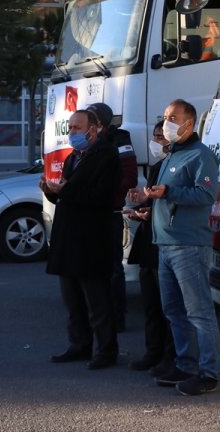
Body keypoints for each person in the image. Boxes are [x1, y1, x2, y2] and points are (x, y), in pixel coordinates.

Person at [134, 99, 220, 396]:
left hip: (189, 245)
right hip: (166, 244)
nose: (167, 121)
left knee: (199, 312)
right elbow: (167, 197)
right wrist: (149, 203)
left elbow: (206, 194)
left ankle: (209, 373)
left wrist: (169, 191)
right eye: (165, 116)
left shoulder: (200, 156)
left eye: (173, 117)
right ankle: (185, 365)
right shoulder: (172, 155)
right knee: (173, 310)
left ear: (189, 123)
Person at [41, 109, 121, 370]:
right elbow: (67, 195)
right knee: (72, 299)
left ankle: (106, 350)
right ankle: (79, 345)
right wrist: (52, 192)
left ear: (93, 129)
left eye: (77, 128)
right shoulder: (73, 157)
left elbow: (102, 197)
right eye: (70, 128)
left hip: (91, 238)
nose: (72, 133)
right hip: (68, 237)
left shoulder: (107, 156)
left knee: (96, 301)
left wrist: (68, 190)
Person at [125, 121, 175, 373]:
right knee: (150, 305)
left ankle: (170, 356)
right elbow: (154, 202)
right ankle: (153, 352)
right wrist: (141, 209)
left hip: (165, 245)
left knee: (169, 307)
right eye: (155, 136)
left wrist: (149, 208)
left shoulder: (176, 166)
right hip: (148, 244)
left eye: (161, 136)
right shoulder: (157, 167)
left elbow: (170, 203)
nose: (157, 141)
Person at [86, 102, 137, 332]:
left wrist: (103, 192)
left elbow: (130, 178)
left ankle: (117, 318)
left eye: (92, 122)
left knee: (113, 269)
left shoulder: (120, 140)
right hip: (88, 214)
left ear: (103, 124)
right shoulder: (87, 142)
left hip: (110, 212)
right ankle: (98, 315)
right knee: (91, 268)